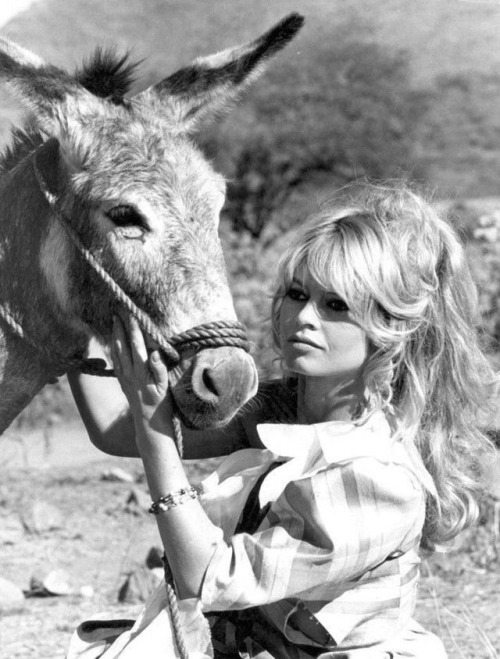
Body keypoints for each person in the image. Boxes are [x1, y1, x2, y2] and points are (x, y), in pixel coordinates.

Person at [66, 182, 498, 658]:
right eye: (297, 294)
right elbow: (112, 427)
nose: (304, 317)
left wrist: (155, 426)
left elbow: (207, 577)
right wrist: (67, 313)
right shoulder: (280, 411)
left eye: (336, 306)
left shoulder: (378, 476)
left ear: (388, 330)